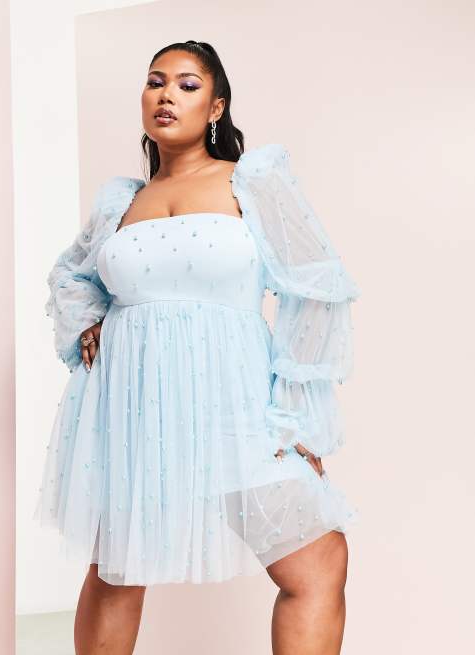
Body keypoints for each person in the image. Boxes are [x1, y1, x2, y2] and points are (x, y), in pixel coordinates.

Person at [34, 40, 361, 655]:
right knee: (117, 569)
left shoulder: (254, 182)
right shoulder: (119, 201)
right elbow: (71, 275)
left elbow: (317, 289)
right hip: (135, 409)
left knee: (316, 563)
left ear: (216, 107)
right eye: (155, 81)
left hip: (237, 408)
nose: (166, 95)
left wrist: (297, 416)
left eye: (187, 85)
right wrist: (88, 322)